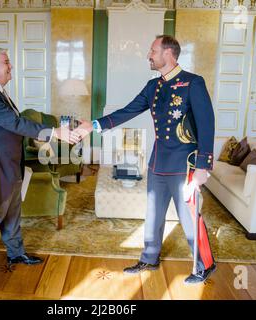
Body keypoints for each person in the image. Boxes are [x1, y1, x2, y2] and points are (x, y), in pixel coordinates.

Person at [75, 35, 216, 284]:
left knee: (188, 215)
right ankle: (149, 258)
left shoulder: (193, 83)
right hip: (158, 161)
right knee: (153, 213)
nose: (148, 55)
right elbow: (128, 110)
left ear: (168, 54)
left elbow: (206, 125)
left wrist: (204, 166)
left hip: (185, 164)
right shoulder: (154, 86)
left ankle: (204, 265)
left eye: (152, 50)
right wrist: (94, 125)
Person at [0, 47, 80, 272]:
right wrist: (55, 132)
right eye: (6, 62)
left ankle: (16, 253)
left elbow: (13, 125)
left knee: (12, 211)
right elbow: (17, 124)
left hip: (9, 162)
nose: (11, 66)